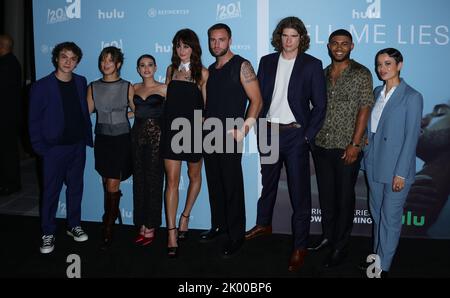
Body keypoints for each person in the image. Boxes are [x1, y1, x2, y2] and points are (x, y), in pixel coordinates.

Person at [244, 17, 326, 272]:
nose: (288, 40)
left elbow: (320, 106)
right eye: (285, 35)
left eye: (294, 36)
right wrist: (252, 125)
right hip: (268, 131)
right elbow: (257, 97)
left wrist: (306, 136)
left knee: (299, 192)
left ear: (301, 38)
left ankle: (299, 246)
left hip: (294, 136)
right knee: (267, 181)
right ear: (279, 37)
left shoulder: (312, 65)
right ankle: (263, 223)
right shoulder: (266, 61)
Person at [308, 29, 374, 268]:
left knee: (344, 198)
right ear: (328, 46)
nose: (339, 47)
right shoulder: (322, 74)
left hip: (347, 147)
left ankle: (341, 246)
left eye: (344, 44)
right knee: (326, 196)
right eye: (335, 43)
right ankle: (328, 237)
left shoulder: (361, 73)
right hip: (322, 144)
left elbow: (365, 108)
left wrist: (355, 143)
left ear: (351, 47)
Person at [202, 23, 263, 257]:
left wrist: (244, 130)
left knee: (232, 186)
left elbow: (257, 101)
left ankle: (236, 235)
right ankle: (219, 225)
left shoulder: (242, 65)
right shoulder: (211, 69)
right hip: (209, 134)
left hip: (230, 135)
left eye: (221, 39)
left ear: (230, 40)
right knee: (215, 184)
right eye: (213, 40)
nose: (216, 44)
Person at [362, 48, 423, 277]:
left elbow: (411, 138)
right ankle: (376, 260)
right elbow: (373, 127)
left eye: (388, 63)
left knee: (390, 218)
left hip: (397, 168)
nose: (382, 69)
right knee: (377, 214)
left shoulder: (412, 96)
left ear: (400, 65)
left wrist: (401, 174)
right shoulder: (377, 91)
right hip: (374, 163)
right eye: (379, 64)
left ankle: (382, 267)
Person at [29, 41, 93, 254]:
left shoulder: (81, 82)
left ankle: (73, 225)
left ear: (77, 62)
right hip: (53, 149)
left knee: (76, 189)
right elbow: (33, 120)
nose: (68, 61)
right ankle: (48, 232)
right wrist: (41, 148)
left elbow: (83, 111)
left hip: (77, 146)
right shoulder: (41, 86)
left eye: (73, 58)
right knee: (50, 193)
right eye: (64, 57)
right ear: (56, 58)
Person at [161, 29, 208, 258]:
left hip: (194, 133)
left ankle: (185, 216)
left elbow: (206, 110)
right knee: (171, 181)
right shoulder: (170, 70)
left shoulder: (203, 74)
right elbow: (167, 103)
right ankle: (171, 233)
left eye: (186, 46)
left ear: (194, 48)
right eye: (178, 46)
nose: (181, 50)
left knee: (194, 177)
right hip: (172, 132)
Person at [86, 46, 134, 249]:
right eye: (103, 60)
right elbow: (85, 113)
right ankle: (112, 213)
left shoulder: (127, 86)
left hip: (121, 140)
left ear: (118, 64)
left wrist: (125, 117)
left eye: (110, 60)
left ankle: (108, 226)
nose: (106, 64)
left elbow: (137, 111)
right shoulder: (93, 86)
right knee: (107, 182)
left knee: (113, 183)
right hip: (103, 140)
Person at [131, 54, 166, 247]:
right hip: (136, 137)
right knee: (139, 181)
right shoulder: (134, 88)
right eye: (142, 65)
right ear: (138, 69)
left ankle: (151, 225)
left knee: (154, 180)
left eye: (150, 65)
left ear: (155, 67)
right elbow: (133, 111)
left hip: (156, 139)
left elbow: (171, 113)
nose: (146, 68)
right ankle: (141, 223)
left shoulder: (163, 88)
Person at [0, 34, 22, 196]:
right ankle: (10, 182)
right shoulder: (12, 62)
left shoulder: (6, 64)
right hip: (9, 115)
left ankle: (10, 183)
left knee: (7, 151)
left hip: (5, 116)